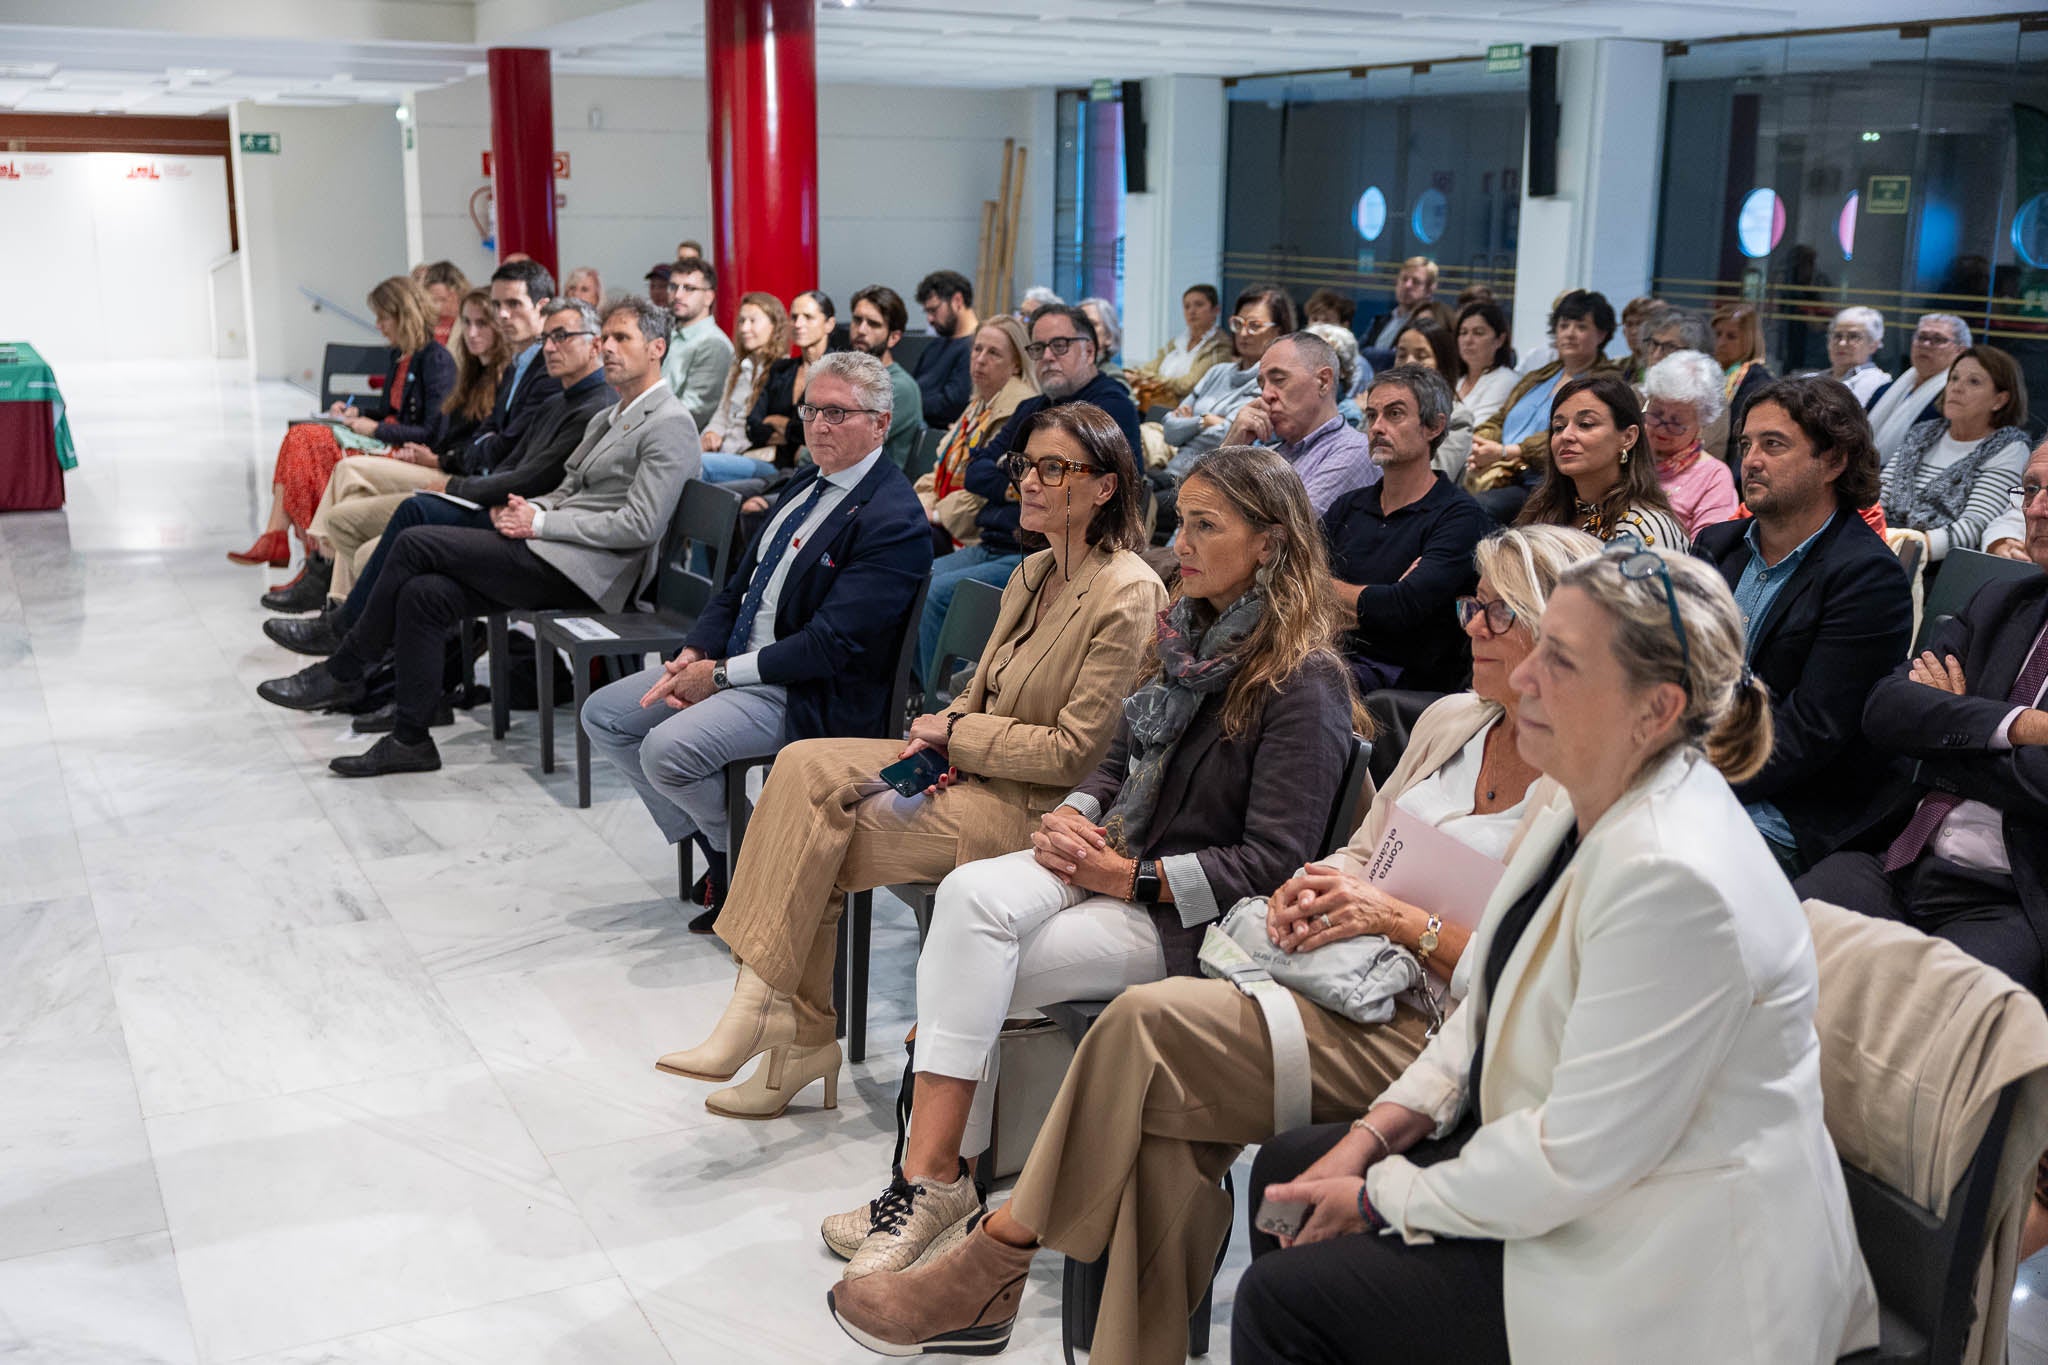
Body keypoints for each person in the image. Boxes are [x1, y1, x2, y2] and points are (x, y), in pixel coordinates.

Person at [825, 525, 1592, 1365]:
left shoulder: (1573, 783)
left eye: (1495, 612)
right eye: (1471, 605)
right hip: (1328, 970)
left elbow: (1536, 974)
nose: (1471, 625)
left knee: (1144, 1028)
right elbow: (1356, 846)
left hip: (1425, 1021)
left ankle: (992, 1257)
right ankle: (1076, 1311)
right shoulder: (1453, 719)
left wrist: (1400, 922)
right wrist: (1315, 887)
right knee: (1155, 1120)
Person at [1232, 541, 1880, 1365]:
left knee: (1288, 1300)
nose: (1526, 677)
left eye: (1561, 661)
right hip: (1605, 1180)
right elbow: (1486, 1006)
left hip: (1667, 1262)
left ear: (1655, 708)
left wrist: (1379, 1193)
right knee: (1291, 1172)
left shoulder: (1675, 878)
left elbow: (1574, 1155)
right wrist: (1369, 1138)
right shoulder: (1586, 797)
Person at [825, 445, 1360, 1320]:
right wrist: (1074, 811)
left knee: (967, 971)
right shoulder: (1184, 630)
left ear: (1269, 544)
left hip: (1191, 915)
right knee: (967, 904)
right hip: (1110, 859)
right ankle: (935, 1179)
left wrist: (1133, 875)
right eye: (1178, 518)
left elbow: (1276, 857)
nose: (1178, 541)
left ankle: (931, 1183)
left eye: (1205, 525)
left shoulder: (1301, 678)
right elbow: (1114, 759)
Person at [661, 402, 1159, 1103]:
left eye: (1054, 468)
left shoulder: (1129, 590)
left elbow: (1078, 754)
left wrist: (957, 735)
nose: (1030, 483)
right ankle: (771, 1012)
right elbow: (978, 691)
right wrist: (947, 724)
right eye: (1025, 467)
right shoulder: (1033, 572)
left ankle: (791, 1032)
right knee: (801, 763)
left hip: (1038, 809)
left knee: (814, 845)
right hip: (977, 771)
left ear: (1106, 486)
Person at [257, 296, 699, 776]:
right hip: (552, 548)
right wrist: (531, 509)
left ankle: (344, 665)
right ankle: (410, 740)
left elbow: (640, 525)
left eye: (621, 338)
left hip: (592, 571)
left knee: (416, 539)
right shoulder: (610, 415)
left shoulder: (670, 424)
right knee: (425, 594)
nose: (606, 347)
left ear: (656, 348)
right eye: (606, 337)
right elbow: (569, 488)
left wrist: (541, 522)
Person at [580, 351, 931, 926]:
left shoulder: (892, 520)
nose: (819, 425)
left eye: (839, 414)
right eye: (812, 409)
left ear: (881, 423)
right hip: (737, 663)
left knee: (666, 751)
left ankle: (744, 866)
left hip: (807, 691)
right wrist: (695, 652)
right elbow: (735, 590)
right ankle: (731, 850)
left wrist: (716, 676)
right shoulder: (805, 482)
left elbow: (825, 648)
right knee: (607, 714)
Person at [1797, 441, 2048, 995]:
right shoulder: (2000, 602)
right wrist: (2019, 727)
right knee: (1771, 951)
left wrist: (1947, 740)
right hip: (1902, 856)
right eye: (2030, 488)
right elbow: (1886, 710)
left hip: (2013, 893)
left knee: (1942, 1027)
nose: (2035, 509)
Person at [266, 299, 619, 666]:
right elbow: (508, 453)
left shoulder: (585, 400)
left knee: (403, 517)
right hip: (486, 488)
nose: (483, 327)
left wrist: (459, 484)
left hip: (522, 522)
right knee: (352, 503)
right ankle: (347, 624)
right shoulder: (547, 389)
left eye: (560, 336)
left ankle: (348, 643)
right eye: (547, 338)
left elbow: (539, 476)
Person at [1695, 375, 1913, 875]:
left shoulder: (1866, 576)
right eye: (1746, 444)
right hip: (1697, 768)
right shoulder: (1716, 545)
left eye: (1774, 445)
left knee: (1641, 852)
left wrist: (1687, 779)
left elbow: (1812, 733)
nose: (1750, 459)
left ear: (1834, 461)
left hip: (1793, 806)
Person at [919, 303, 1143, 680]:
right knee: (916, 581)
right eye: (1039, 348)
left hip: (1056, 551)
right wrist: (1030, 484)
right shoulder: (1033, 406)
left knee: (938, 595)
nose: (1047, 357)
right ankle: (931, 698)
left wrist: (1011, 471)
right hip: (1000, 540)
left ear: (1089, 349)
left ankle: (947, 705)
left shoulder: (1108, 405)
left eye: (1060, 345)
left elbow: (1091, 492)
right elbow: (975, 472)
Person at [275, 287, 511, 614]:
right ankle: (336, 605)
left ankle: (322, 571)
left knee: (338, 464)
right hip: (436, 460)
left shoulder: (443, 362)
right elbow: (437, 430)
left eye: (481, 324)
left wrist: (383, 432)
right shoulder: (457, 371)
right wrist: (364, 417)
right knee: (320, 456)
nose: (470, 333)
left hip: (445, 469)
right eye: (467, 323)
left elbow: (439, 435)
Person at [228, 276, 456, 572]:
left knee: (304, 442)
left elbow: (432, 432)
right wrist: (355, 412)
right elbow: (391, 410)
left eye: (384, 317)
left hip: (406, 451)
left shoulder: (435, 360)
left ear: (404, 314)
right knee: (301, 440)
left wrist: (375, 429)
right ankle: (292, 545)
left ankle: (298, 550)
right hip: (386, 440)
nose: (379, 325)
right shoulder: (401, 356)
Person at [1325, 364, 1494, 694]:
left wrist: (1329, 595)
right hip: (1330, 657)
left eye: (1394, 414)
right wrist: (1375, 604)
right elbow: (1291, 581)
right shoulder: (1349, 505)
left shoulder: (1459, 517)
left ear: (1434, 426)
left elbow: (1402, 607)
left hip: (1403, 684)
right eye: (1372, 415)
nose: (1377, 427)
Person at [1465, 289, 1621, 525]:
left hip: (1546, 479)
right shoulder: (1540, 375)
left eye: (1581, 327)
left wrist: (1508, 452)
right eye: (1564, 325)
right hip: (1501, 470)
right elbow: (1500, 418)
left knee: (1479, 508)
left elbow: (1573, 435)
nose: (1569, 333)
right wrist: (1481, 443)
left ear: (1601, 334)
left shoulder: (1605, 383)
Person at [1879, 344, 2032, 563]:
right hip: (1884, 546)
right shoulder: (1922, 432)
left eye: (1973, 381)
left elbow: (1973, 528)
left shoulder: (2009, 448)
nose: (1957, 388)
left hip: (1936, 564)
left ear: (2000, 400)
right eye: (1954, 378)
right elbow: (1878, 498)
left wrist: (1902, 547)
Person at [1518, 372, 1689, 549]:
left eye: (1585, 424)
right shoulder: (1543, 512)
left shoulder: (1644, 528)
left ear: (1628, 437)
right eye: (1558, 427)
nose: (1566, 436)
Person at [914, 316, 1038, 553]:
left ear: (1016, 365)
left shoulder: (1019, 408)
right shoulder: (979, 403)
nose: (980, 360)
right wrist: (920, 504)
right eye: (977, 349)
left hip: (974, 531)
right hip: (944, 516)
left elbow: (985, 488)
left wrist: (937, 514)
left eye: (994, 353)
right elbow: (941, 467)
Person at [1225, 330, 1380, 516]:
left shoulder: (1353, 451)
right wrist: (1230, 447)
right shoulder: (1271, 452)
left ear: (1323, 382)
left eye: (1279, 380)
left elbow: (1287, 534)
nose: (1266, 395)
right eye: (1262, 386)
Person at [1159, 286, 1293, 481]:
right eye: (1238, 324)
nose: (1244, 333)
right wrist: (1204, 421)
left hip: (1215, 483)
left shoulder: (1273, 384)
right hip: (1172, 474)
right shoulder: (1217, 372)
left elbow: (1230, 438)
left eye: (1255, 325)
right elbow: (1169, 430)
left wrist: (1188, 427)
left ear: (1278, 331)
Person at [1641, 350, 1740, 537]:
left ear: (1701, 424)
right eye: (1656, 414)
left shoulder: (1713, 476)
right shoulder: (1625, 452)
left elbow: (1707, 550)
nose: (1662, 428)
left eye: (1676, 422)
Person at [698, 291, 788, 484]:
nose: (744, 328)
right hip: (725, 451)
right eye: (741, 321)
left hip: (756, 457)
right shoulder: (739, 367)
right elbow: (722, 412)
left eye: (753, 321)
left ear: (774, 325)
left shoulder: (783, 371)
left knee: (699, 465)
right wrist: (711, 433)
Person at [747, 289, 834, 469]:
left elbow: (820, 433)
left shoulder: (836, 373)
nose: (798, 324)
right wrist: (794, 431)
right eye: (794, 317)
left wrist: (779, 422)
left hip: (806, 468)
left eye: (808, 317)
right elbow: (753, 425)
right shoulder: (781, 369)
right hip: (768, 460)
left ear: (829, 324)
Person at [1867, 313, 1970, 460]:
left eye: (1937, 339)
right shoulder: (1884, 391)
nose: (1926, 344)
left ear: (1960, 351)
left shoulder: (1955, 400)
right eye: (1921, 337)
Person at [847, 284, 927, 471]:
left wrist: (802, 452)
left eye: (873, 324)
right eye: (857, 320)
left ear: (894, 338)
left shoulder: (899, 387)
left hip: (872, 491)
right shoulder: (846, 379)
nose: (861, 330)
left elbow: (848, 446)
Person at [1390, 315, 1475, 479]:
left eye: (1421, 356)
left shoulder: (1457, 418)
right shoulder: (1379, 409)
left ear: (1442, 364)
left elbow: (1434, 476)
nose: (1409, 363)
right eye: (1401, 355)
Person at [1128, 283, 1231, 413]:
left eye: (1199, 304)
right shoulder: (1178, 342)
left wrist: (1151, 379)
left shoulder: (1220, 346)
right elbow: (1149, 368)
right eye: (1187, 306)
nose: (1191, 311)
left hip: (1192, 413)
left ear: (1216, 310)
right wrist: (1136, 375)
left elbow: (1188, 385)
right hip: (1158, 406)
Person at [661, 256, 734, 431]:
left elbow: (695, 410)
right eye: (673, 287)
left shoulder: (714, 344)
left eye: (689, 288)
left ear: (709, 297)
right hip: (656, 426)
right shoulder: (667, 334)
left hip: (679, 438)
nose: (678, 295)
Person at [912, 269, 980, 428]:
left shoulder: (976, 348)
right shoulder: (935, 346)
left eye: (933, 310)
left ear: (957, 301)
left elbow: (951, 405)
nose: (929, 319)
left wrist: (910, 403)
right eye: (927, 312)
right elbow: (912, 387)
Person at [1710, 301, 1775, 466]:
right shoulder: (1706, 372)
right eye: (1717, 334)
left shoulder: (1758, 382)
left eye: (1731, 336)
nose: (1721, 342)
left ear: (1749, 340)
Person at [1453, 300, 1518, 431]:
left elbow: (1475, 428)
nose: (1468, 340)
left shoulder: (1505, 380)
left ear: (1500, 340)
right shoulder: (1456, 380)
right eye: (1463, 332)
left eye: (1478, 333)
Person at [1815, 306, 1889, 405]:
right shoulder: (1810, 380)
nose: (1842, 343)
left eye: (1853, 337)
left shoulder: (1880, 385)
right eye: (1837, 336)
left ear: (1873, 345)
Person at [1364, 256, 1438, 350]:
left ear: (1429, 290)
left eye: (1416, 282)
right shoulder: (1380, 320)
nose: (1407, 286)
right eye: (1404, 279)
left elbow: (1397, 357)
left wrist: (1368, 353)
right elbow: (1359, 352)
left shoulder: (1428, 324)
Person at [1079, 297, 1130, 392]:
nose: (1082, 329)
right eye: (1078, 324)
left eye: (1092, 324)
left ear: (1109, 336)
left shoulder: (1112, 376)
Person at [420, 261, 470, 345]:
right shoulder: (422, 324)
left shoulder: (472, 324)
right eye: (433, 301)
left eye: (443, 300)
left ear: (459, 295)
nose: (438, 307)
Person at [1618, 294, 1660, 384]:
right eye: (1629, 324)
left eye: (1640, 324)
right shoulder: (1617, 367)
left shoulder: (1667, 367)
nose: (1633, 331)